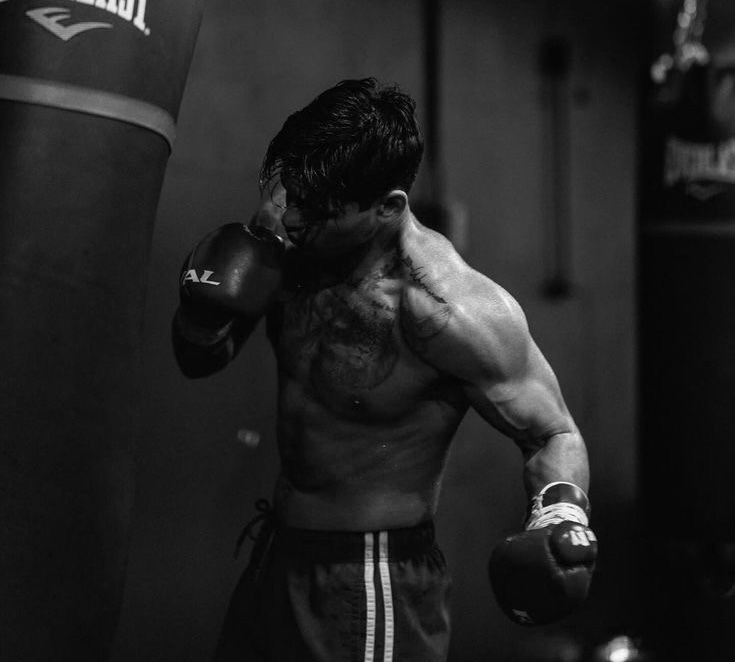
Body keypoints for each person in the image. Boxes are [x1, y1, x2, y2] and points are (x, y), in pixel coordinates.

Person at [172, 78, 597, 662]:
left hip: (369, 579)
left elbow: (553, 432)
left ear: (388, 207)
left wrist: (560, 512)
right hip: (276, 558)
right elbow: (199, 360)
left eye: (316, 211)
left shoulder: (449, 310)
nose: (289, 218)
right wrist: (203, 311)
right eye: (287, 193)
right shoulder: (290, 237)